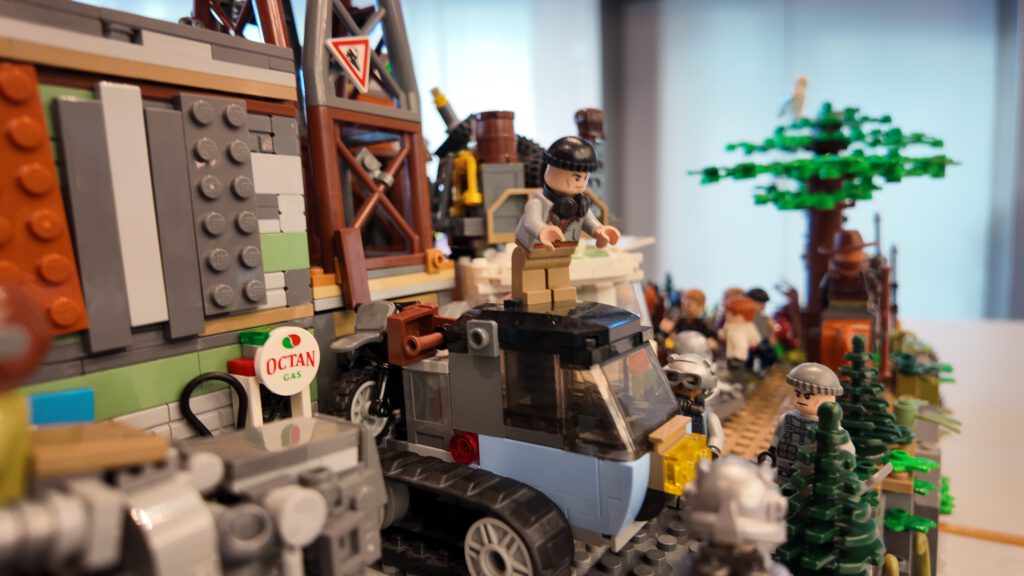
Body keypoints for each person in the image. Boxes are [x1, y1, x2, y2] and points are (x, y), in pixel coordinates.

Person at [512, 137, 619, 306]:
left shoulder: (579, 205)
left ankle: (560, 306)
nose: (581, 183)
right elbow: (530, 221)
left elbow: (589, 222)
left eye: (584, 178)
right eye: (577, 178)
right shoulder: (537, 202)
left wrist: (600, 231)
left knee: (560, 286)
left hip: (562, 254)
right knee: (534, 288)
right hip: (533, 253)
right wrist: (542, 230)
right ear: (550, 171)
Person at [759, 362, 855, 481]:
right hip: (783, 472)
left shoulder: (832, 431)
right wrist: (768, 459)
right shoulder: (785, 419)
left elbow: (848, 455)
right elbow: (773, 448)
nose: (800, 399)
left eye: (808, 396)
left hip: (813, 481)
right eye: (797, 393)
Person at [663, 353, 724, 458]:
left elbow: (717, 435)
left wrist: (713, 449)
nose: (682, 392)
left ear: (704, 390)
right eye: (676, 388)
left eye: (690, 389)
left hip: (695, 453)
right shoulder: (667, 409)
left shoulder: (707, 416)